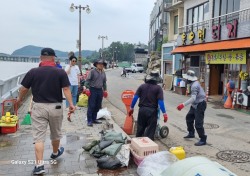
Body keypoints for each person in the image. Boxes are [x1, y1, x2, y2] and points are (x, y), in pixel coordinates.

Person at [17, 48, 75, 175]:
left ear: (40, 58)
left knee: (38, 138)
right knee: (56, 133)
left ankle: (39, 166)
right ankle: (55, 153)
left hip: (39, 107)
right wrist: (71, 104)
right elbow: (66, 89)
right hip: (56, 107)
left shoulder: (33, 72)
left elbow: (23, 89)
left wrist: (20, 99)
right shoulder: (60, 72)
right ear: (53, 58)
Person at [128, 70, 168, 140]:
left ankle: (137, 145)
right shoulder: (158, 88)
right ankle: (148, 147)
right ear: (157, 79)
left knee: (140, 130)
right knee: (150, 133)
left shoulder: (142, 86)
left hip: (142, 110)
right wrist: (164, 114)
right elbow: (160, 102)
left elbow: (135, 98)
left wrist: (131, 108)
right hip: (152, 112)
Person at [177, 70, 207, 146]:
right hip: (195, 104)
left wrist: (183, 105)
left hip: (200, 104)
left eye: (186, 79)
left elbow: (193, 98)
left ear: (189, 79)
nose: (185, 80)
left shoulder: (194, 85)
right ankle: (191, 133)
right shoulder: (193, 83)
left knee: (198, 123)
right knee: (189, 118)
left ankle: (203, 139)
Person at [84, 59, 108, 127]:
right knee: (91, 105)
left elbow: (104, 82)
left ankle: (94, 119)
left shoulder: (103, 72)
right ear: (96, 65)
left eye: (102, 64)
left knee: (98, 105)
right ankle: (89, 120)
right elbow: (87, 81)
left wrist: (105, 90)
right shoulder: (92, 71)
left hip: (100, 90)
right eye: (99, 64)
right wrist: (87, 88)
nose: (101, 65)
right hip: (93, 89)